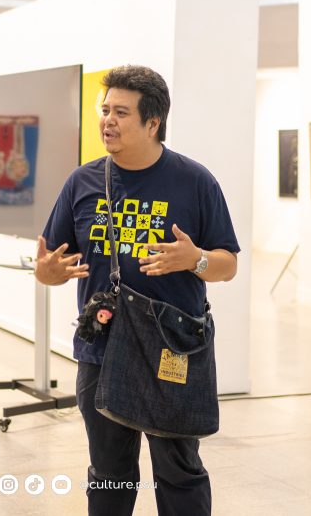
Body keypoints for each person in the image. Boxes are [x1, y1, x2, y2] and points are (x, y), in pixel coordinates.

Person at [35, 65, 240, 516]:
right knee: (109, 473)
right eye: (105, 110)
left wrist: (195, 259)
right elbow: (50, 268)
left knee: (179, 471)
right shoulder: (82, 182)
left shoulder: (195, 181)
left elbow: (228, 265)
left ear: (152, 122)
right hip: (101, 352)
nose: (107, 120)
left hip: (171, 349)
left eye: (121, 112)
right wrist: (47, 272)